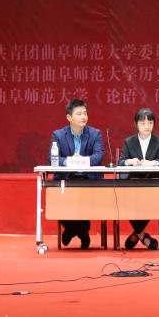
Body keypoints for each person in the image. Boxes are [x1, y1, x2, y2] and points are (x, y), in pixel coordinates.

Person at [49, 98, 104, 249]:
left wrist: (82, 160)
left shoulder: (95, 134)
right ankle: (81, 230)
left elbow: (99, 156)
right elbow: (52, 158)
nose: (83, 117)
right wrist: (70, 161)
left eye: (85, 113)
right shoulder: (58, 135)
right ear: (69, 117)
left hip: (88, 179)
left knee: (83, 199)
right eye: (79, 114)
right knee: (57, 201)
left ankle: (71, 230)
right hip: (66, 179)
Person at [116, 107, 159, 250]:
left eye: (150, 123)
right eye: (143, 123)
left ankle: (137, 234)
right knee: (127, 201)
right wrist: (129, 161)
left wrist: (153, 163)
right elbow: (120, 162)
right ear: (136, 124)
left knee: (151, 202)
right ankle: (141, 234)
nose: (147, 126)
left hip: (153, 185)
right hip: (132, 185)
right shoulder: (129, 142)